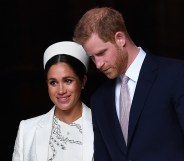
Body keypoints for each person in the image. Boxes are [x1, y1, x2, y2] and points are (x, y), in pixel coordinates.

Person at [73, 6, 184, 161]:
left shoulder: (176, 75)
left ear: (120, 38)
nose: (98, 64)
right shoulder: (99, 99)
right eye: (92, 57)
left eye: (101, 53)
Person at [12, 41, 94, 161]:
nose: (61, 91)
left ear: (83, 81)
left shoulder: (102, 126)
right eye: (53, 82)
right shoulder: (27, 129)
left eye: (68, 81)